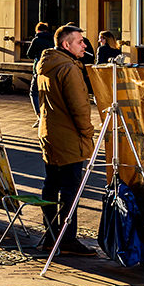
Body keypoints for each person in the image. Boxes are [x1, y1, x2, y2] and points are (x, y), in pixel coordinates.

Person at [35, 23, 96, 256]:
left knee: (51, 185)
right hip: (69, 136)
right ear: (66, 44)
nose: (85, 45)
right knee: (70, 189)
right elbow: (79, 107)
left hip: (50, 133)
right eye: (80, 41)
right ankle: (67, 239)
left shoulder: (48, 64)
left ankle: (51, 236)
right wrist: (88, 132)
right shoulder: (69, 68)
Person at [25, 22, 52, 120]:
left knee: (34, 92)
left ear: (37, 30)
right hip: (51, 69)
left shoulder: (36, 40)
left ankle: (39, 115)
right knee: (49, 93)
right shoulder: (52, 40)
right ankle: (49, 115)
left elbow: (29, 54)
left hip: (39, 68)